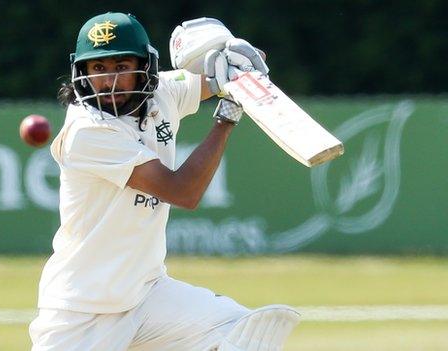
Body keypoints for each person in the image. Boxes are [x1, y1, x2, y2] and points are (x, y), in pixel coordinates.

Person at [30, 12, 299, 351]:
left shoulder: (162, 93)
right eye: (98, 69)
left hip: (147, 295)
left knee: (246, 335)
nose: (110, 81)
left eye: (121, 66)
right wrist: (227, 116)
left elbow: (221, 74)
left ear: (145, 67)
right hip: (83, 310)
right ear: (81, 72)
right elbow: (183, 191)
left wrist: (241, 62)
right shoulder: (87, 131)